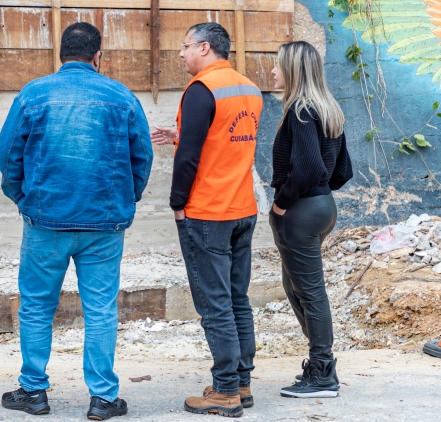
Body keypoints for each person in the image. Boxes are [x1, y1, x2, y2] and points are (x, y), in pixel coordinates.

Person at [0, 22, 153, 420]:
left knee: (36, 306)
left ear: (61, 54)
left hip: (45, 221)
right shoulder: (122, 96)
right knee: (100, 309)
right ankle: (103, 398)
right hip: (104, 224)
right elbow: (142, 159)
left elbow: (7, 156)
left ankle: (33, 391)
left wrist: (23, 198)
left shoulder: (34, 94)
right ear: (98, 56)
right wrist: (124, 199)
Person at [151, 22, 263, 418]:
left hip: (208, 212)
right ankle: (242, 383)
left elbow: (190, 158)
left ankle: (225, 392)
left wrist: (177, 203)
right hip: (242, 209)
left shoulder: (201, 89)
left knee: (215, 304)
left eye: (185, 46)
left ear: (204, 47)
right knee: (237, 299)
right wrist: (180, 134)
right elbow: (224, 142)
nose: (181, 54)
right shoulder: (248, 88)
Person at [268, 41, 352, 398]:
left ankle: (322, 372)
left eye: (278, 65)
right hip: (322, 206)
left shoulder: (300, 112)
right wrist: (318, 193)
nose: (273, 71)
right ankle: (320, 362)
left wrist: (282, 204)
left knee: (310, 292)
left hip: (300, 211)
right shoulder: (328, 109)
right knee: (295, 287)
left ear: (293, 70)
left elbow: (307, 168)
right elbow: (342, 171)